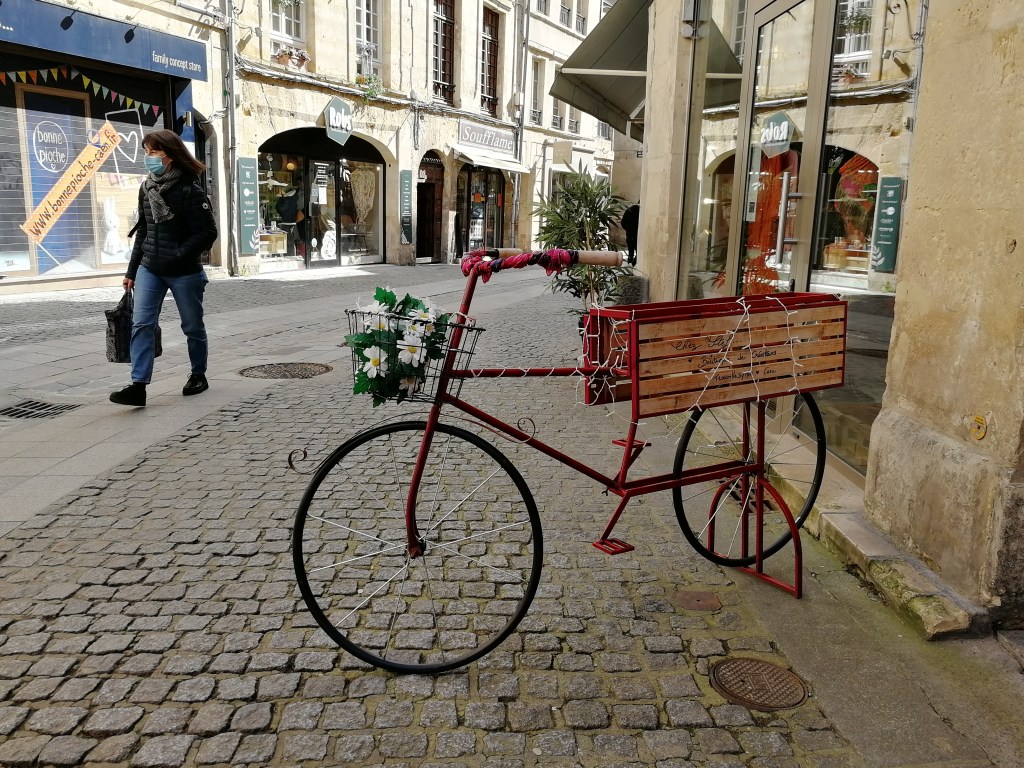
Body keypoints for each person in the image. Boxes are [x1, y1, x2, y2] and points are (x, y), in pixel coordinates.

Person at [109, 129, 218, 407]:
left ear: (170, 155)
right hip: (150, 268)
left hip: (185, 271)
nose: (148, 157)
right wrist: (131, 271)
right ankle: (138, 386)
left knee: (192, 326)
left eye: (153, 152)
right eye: (146, 152)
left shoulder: (190, 191)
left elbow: (207, 232)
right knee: (142, 323)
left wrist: (180, 253)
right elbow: (143, 230)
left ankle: (198, 374)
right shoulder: (147, 189)